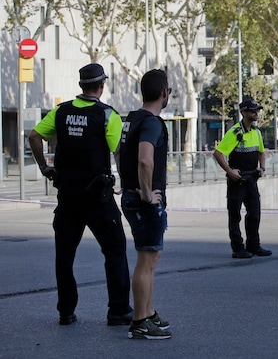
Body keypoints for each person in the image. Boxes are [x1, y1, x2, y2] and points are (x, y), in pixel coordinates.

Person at [28, 63, 132, 326]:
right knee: (115, 250)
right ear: (102, 85)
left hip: (68, 197)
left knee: (65, 255)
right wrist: (124, 181)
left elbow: (34, 136)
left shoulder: (61, 112)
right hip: (97, 197)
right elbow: (118, 152)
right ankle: (118, 311)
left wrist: (44, 167)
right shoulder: (108, 115)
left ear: (81, 86)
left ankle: (66, 311)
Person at [119, 69, 171, 340]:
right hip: (143, 201)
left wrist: (126, 182)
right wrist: (147, 194)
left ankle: (147, 313)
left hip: (132, 194)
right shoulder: (151, 122)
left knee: (151, 257)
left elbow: (119, 151)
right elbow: (144, 159)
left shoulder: (132, 119)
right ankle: (139, 321)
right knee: (145, 260)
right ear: (164, 93)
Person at [213, 98, 271, 259]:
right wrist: (230, 172)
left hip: (252, 178)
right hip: (237, 181)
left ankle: (254, 245)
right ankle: (238, 248)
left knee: (255, 213)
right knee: (235, 215)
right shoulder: (235, 132)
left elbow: (261, 151)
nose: (256, 113)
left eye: (257, 110)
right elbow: (218, 153)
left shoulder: (256, 132)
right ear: (243, 113)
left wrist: (262, 167)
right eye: (253, 111)